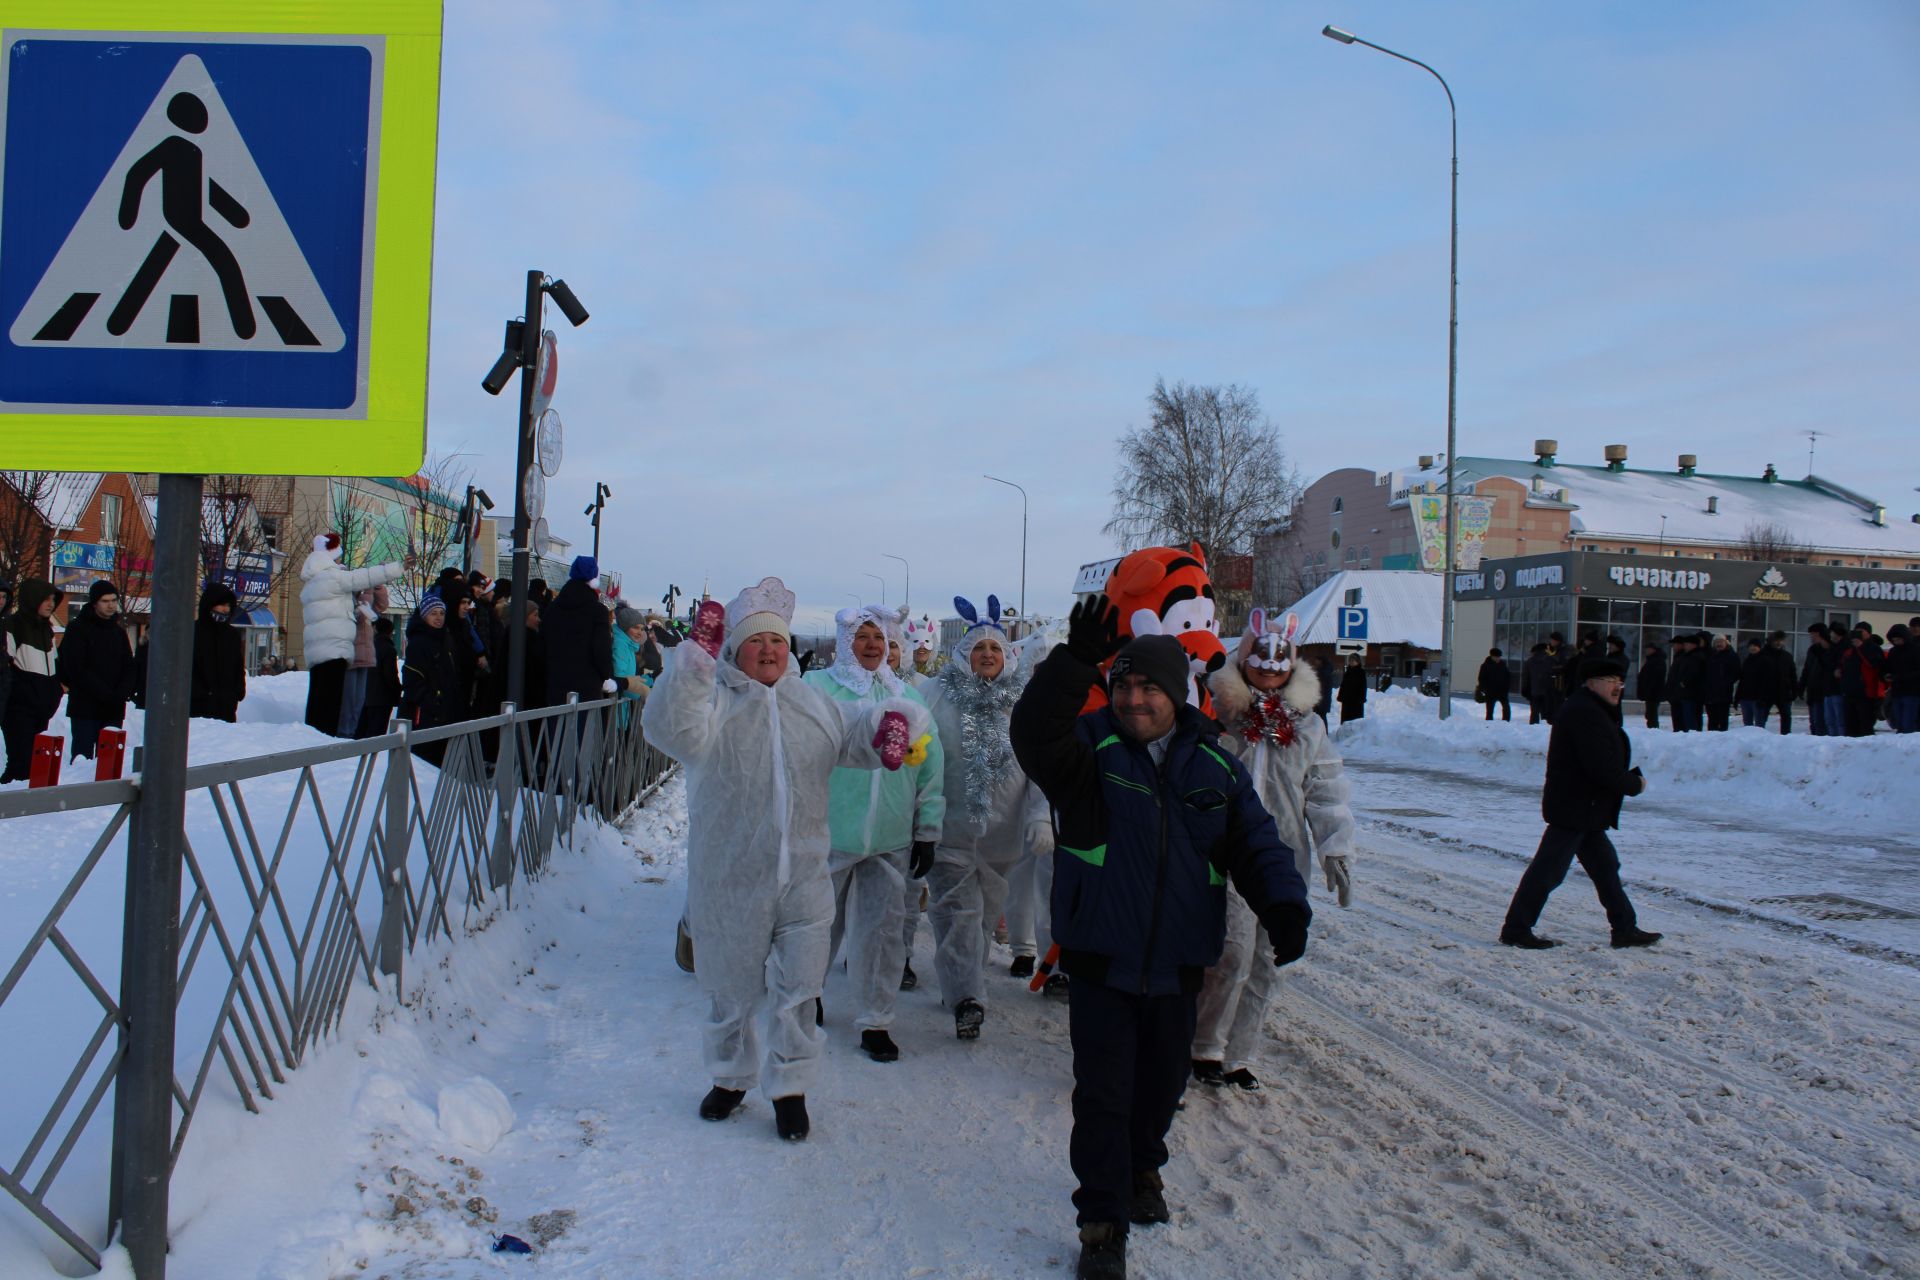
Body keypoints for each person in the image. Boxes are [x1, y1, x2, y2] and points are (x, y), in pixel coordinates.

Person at [1010, 598, 1311, 1280]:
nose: (1134, 698)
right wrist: (1072, 664)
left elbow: (1256, 844)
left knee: (1159, 1088)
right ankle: (1101, 1223)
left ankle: (1144, 1164)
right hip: (1099, 958)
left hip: (1177, 964)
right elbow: (1032, 734)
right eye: (1124, 685)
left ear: (1177, 693)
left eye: (1148, 687)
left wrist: (1284, 905)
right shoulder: (1087, 749)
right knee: (1104, 1094)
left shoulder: (1215, 767)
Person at [642, 576, 927, 1142]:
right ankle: (730, 1077)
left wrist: (890, 727)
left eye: (776, 640)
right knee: (731, 988)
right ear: (735, 651)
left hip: (804, 877)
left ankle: (791, 1087)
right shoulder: (714, 704)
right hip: (730, 878)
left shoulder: (811, 703)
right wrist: (695, 661)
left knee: (800, 988)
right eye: (755, 642)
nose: (769, 650)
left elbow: (855, 733)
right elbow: (670, 728)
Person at [1194, 609, 1353, 1093]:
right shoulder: (1218, 713)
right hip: (1225, 854)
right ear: (1244, 657)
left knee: (1267, 959)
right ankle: (1203, 1045)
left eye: (1279, 658)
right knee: (1230, 952)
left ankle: (1239, 1053)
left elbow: (1325, 788)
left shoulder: (1307, 726)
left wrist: (1336, 845)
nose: (1269, 665)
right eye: (1259, 655)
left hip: (1284, 857)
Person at [803, 605, 945, 1062]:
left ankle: (876, 1020)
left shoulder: (908, 696)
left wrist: (927, 828)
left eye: (878, 637)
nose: (871, 645)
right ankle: (806, 997)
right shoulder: (817, 689)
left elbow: (932, 768)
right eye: (862, 636)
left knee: (882, 933)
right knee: (817, 925)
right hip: (829, 831)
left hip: (890, 834)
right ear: (845, 641)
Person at [919, 594, 1046, 1042]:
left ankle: (958, 981)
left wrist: (1040, 817)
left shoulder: (1024, 705)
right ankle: (968, 998)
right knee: (956, 913)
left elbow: (1038, 769)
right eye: (978, 649)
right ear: (962, 655)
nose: (987, 655)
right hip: (947, 832)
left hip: (1002, 839)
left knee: (985, 917)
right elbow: (918, 758)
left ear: (1007, 655)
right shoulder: (934, 696)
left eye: (994, 648)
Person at [1500, 656, 1661, 951]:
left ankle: (1624, 928)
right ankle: (1516, 929)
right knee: (1548, 871)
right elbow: (1599, 766)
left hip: (1586, 809)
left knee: (1606, 868)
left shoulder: (1592, 709)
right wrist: (1633, 784)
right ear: (1592, 683)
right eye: (1611, 682)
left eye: (1620, 682)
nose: (1618, 688)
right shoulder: (1584, 712)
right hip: (1575, 807)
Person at [300, 533, 408, 738]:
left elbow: (373, 598)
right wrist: (397, 567)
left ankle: (318, 739)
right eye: (338, 557)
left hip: (326, 648)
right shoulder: (333, 578)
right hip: (337, 647)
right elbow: (365, 576)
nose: (341, 562)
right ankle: (330, 744)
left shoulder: (314, 581)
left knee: (322, 700)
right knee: (336, 704)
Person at [56, 579, 135, 760]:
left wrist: (122, 692)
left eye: (114, 600)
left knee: (110, 760)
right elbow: (75, 667)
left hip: (113, 707)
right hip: (86, 706)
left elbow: (129, 666)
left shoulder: (118, 631)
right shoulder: (77, 629)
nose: (111, 605)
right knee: (82, 758)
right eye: (105, 601)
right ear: (94, 603)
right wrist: (104, 692)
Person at [2, 580, 65, 783]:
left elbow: (53, 663)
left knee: (37, 767)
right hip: (20, 707)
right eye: (46, 599)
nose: (51, 604)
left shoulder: (47, 629)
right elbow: (7, 667)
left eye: (53, 600)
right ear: (33, 599)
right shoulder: (12, 625)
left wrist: (54, 691)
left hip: (42, 706)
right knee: (20, 765)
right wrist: (23, 693)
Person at [399, 592, 464, 767]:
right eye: (433, 613)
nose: (438, 618)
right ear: (424, 616)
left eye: (441, 613)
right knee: (424, 765)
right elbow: (412, 681)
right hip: (424, 715)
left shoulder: (445, 639)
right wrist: (432, 701)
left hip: (445, 712)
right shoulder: (418, 642)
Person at [544, 556, 615, 708]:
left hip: (556, 684)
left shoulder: (553, 608)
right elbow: (601, 648)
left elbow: (544, 643)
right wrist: (605, 676)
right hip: (587, 687)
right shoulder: (597, 611)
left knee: (556, 729)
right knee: (584, 730)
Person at [189, 583, 248, 722]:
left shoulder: (232, 635)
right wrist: (198, 692)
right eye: (222, 604)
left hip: (226, 707)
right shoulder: (192, 632)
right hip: (198, 709)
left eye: (229, 605)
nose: (226, 609)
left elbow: (238, 667)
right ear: (210, 604)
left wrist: (237, 691)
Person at [1837, 628, 1884, 738]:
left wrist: (1861, 648)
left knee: (1865, 725)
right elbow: (1843, 666)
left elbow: (1874, 664)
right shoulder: (1849, 652)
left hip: (1866, 693)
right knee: (1850, 726)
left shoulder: (1873, 648)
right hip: (1849, 692)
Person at [361, 616, 401, 736]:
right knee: (378, 732)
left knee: (368, 731)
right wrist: (398, 689)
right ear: (390, 631)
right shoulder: (389, 649)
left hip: (368, 696)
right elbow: (390, 675)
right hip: (383, 697)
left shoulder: (369, 647)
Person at [1801, 624, 1838, 737]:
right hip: (1813, 691)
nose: (1812, 637)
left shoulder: (1831, 650)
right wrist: (1801, 686)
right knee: (1814, 723)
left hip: (1824, 691)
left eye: (1814, 635)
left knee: (1822, 722)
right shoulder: (1813, 650)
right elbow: (1807, 670)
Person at [1883, 624, 1918, 734]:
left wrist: (1899, 677)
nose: (1896, 642)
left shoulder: (1916, 650)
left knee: (1908, 723)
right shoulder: (1893, 652)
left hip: (1912, 691)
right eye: (1894, 640)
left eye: (1898, 639)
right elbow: (1888, 666)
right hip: (1897, 691)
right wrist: (1886, 674)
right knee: (1898, 722)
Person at [1666, 633, 1703, 732]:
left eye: (1686, 644)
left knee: (1689, 720)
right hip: (1681, 693)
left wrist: (1683, 683)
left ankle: (1690, 737)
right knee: (1682, 720)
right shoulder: (1686, 656)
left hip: (1689, 693)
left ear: (1693, 644)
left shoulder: (1694, 657)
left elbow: (1693, 673)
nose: (1685, 646)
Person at [1703, 635, 1738, 732]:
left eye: (1721, 641)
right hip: (1710, 693)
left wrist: (1726, 683)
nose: (1719, 644)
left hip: (1724, 693)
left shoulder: (1732, 655)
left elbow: (1736, 673)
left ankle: (1722, 739)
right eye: (1716, 642)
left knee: (1722, 719)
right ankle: (1711, 738)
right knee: (1712, 719)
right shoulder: (1710, 656)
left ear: (1726, 642)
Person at [1764, 631, 1797, 735]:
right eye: (1776, 640)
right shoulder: (1763, 655)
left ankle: (1786, 736)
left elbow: (1793, 674)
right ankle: (1759, 737)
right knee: (1762, 717)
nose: (1778, 643)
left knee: (1786, 716)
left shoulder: (1787, 656)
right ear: (1771, 641)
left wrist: (1794, 690)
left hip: (1783, 691)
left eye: (1781, 640)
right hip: (1766, 691)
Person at [1737, 638, 1774, 728]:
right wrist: (1738, 696)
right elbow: (1742, 680)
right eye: (1750, 646)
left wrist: (1763, 698)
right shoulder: (1747, 661)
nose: (1752, 648)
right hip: (1745, 698)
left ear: (1759, 647)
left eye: (1755, 646)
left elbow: (1767, 681)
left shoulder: (1766, 661)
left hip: (1758, 699)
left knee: (1759, 725)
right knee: (1747, 725)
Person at [1522, 642, 1555, 725]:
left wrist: (1525, 690)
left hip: (1534, 690)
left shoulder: (1530, 661)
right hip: (1547, 690)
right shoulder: (1551, 660)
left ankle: (1534, 726)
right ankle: (1546, 726)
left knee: (1534, 711)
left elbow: (1526, 677)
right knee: (1546, 711)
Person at [1637, 639, 1667, 730]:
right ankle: (1652, 729)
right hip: (1650, 692)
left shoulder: (1657, 661)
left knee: (1651, 714)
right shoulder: (1652, 660)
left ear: (1654, 650)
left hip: (1653, 692)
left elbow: (1655, 678)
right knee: (1650, 714)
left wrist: (1649, 689)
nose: (1646, 651)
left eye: (1648, 649)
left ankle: (1653, 730)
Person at [1476, 647, 1511, 722]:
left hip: (1502, 691)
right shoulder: (1485, 666)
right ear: (1492, 656)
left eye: (1499, 657)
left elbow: (1508, 677)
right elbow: (1481, 678)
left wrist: (1507, 688)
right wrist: (1484, 689)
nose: (1498, 658)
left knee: (1506, 708)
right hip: (1490, 691)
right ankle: (1489, 724)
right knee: (1489, 710)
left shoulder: (1503, 665)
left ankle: (1506, 723)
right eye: (1497, 657)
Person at [1336, 654, 1368, 725]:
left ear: (1357, 662)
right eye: (1350, 660)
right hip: (1346, 700)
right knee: (1346, 719)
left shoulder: (1361, 672)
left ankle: (1355, 734)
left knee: (1355, 720)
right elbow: (1343, 685)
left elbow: (1363, 686)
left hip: (1356, 701)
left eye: (1353, 660)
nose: (1351, 662)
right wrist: (1340, 695)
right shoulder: (1348, 672)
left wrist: (1362, 698)